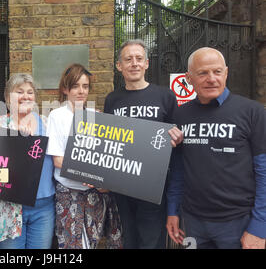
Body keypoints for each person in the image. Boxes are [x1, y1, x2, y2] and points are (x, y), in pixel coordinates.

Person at [166, 47, 266, 249]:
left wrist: (259, 226)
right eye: (203, 73)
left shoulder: (252, 112)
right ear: (189, 78)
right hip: (192, 223)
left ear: (226, 73)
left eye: (217, 71)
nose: (211, 78)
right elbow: (178, 169)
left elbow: (264, 171)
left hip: (238, 223)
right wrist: (172, 210)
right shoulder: (180, 115)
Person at [104, 39, 183, 249]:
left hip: (153, 185)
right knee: (128, 240)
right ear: (119, 66)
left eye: (139, 58)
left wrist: (177, 138)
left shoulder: (165, 96)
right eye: (128, 59)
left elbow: (177, 142)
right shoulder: (112, 100)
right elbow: (109, 140)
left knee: (151, 242)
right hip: (122, 184)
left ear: (147, 63)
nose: (134, 63)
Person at [46, 63, 122, 249]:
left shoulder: (95, 117)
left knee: (93, 243)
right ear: (65, 88)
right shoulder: (56, 116)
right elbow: (57, 160)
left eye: (85, 86)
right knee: (71, 245)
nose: (81, 91)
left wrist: (102, 182)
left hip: (95, 193)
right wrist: (88, 173)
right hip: (68, 191)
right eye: (75, 86)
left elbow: (105, 157)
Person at [0, 73, 55, 249]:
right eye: (19, 91)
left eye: (30, 92)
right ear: (8, 96)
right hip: (8, 207)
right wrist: (19, 142)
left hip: (44, 207)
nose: (26, 96)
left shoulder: (47, 123)